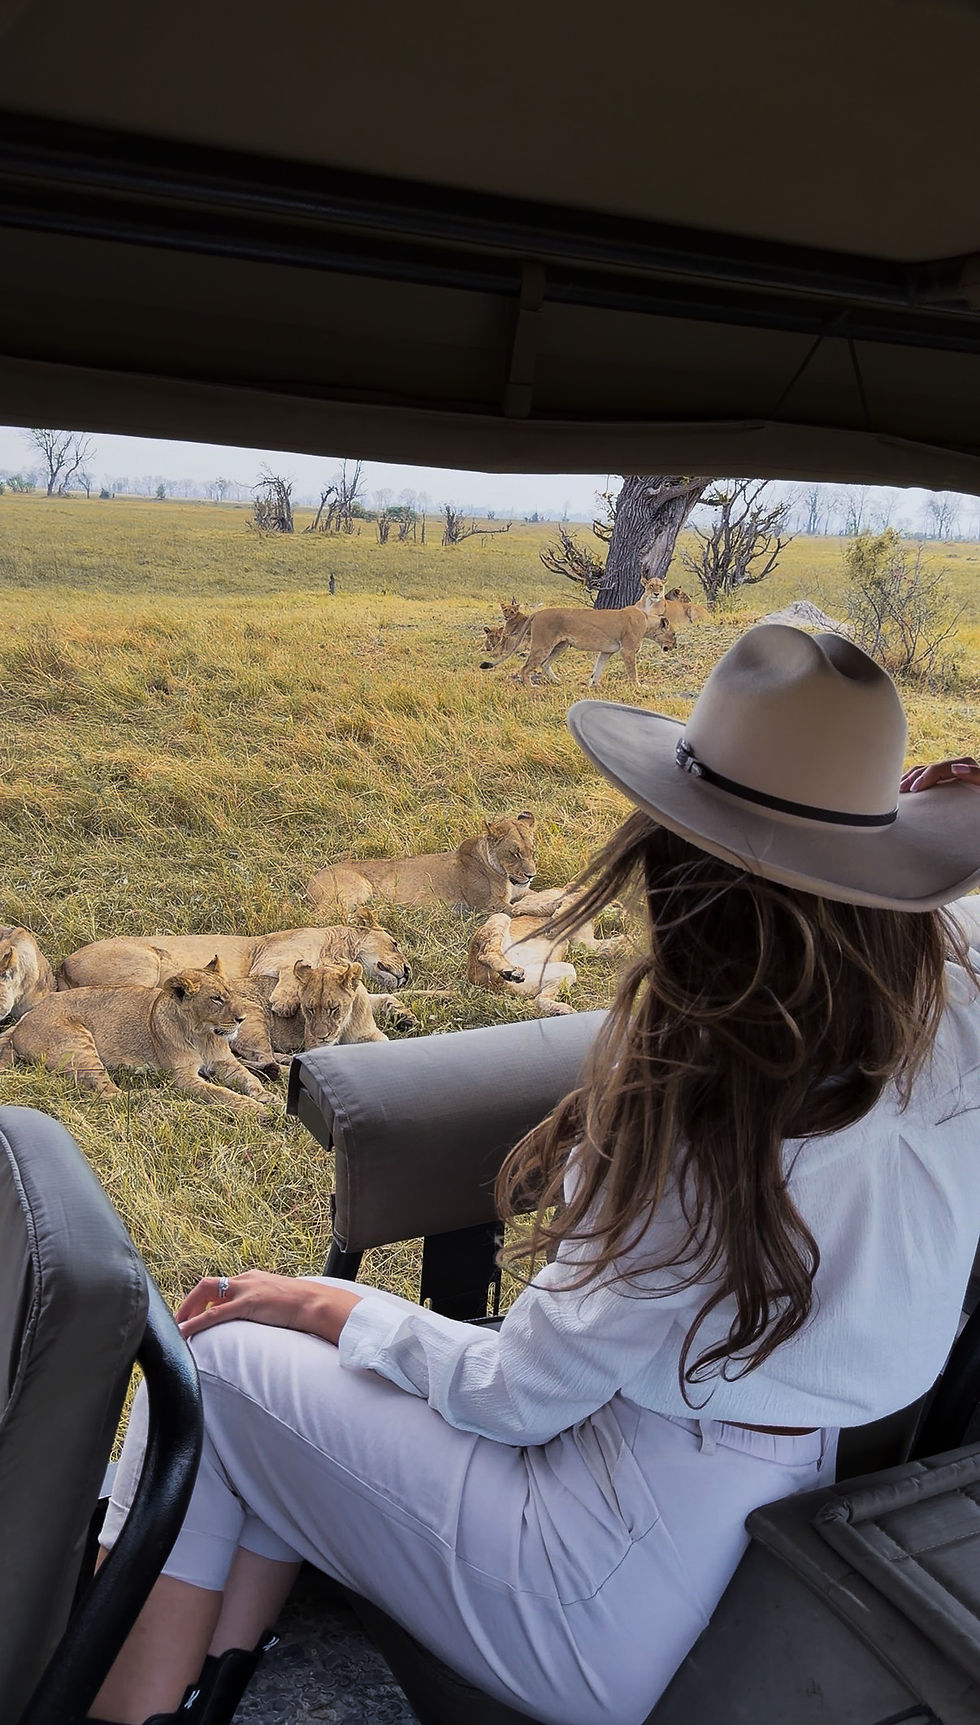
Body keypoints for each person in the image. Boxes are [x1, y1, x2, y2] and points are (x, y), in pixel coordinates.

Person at [90, 625, 980, 1725]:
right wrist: (921, 826)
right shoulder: (945, 1013)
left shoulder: (697, 1111)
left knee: (219, 1364)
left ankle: (117, 1702)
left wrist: (330, 1301)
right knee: (275, 1386)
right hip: (766, 1500)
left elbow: (518, 1398)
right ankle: (201, 1693)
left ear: (672, 854)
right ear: (880, 860)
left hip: (600, 1577)